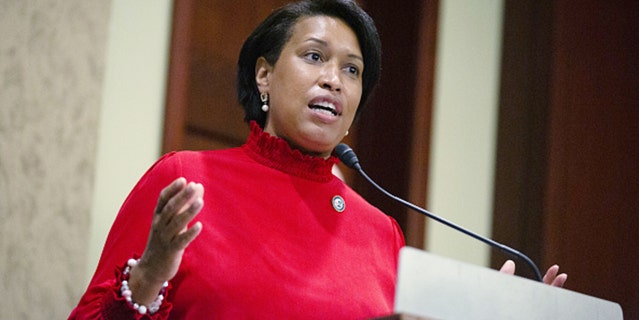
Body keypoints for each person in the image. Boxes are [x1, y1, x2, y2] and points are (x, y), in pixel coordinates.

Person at [70, 0, 566, 319]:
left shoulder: (380, 233)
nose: (334, 79)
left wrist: (496, 312)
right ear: (264, 76)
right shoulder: (185, 180)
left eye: (352, 70)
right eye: (314, 56)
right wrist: (149, 276)